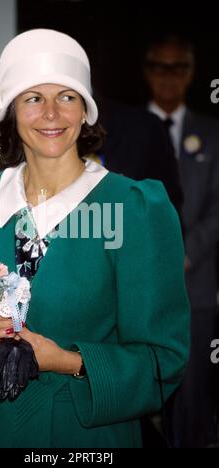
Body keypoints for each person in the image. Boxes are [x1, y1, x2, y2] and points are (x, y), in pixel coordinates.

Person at [0, 28, 190, 448]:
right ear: (11, 110)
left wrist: (67, 361)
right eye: (33, 98)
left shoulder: (133, 208)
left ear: (86, 110)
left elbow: (163, 359)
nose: (51, 113)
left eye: (66, 97)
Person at [144, 34, 219, 448]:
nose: (169, 77)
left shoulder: (213, 132)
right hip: (138, 285)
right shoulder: (128, 129)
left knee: (190, 394)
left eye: (178, 67)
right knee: (138, 390)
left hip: (195, 284)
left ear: (191, 74)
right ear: (146, 71)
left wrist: (185, 254)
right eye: (159, 66)